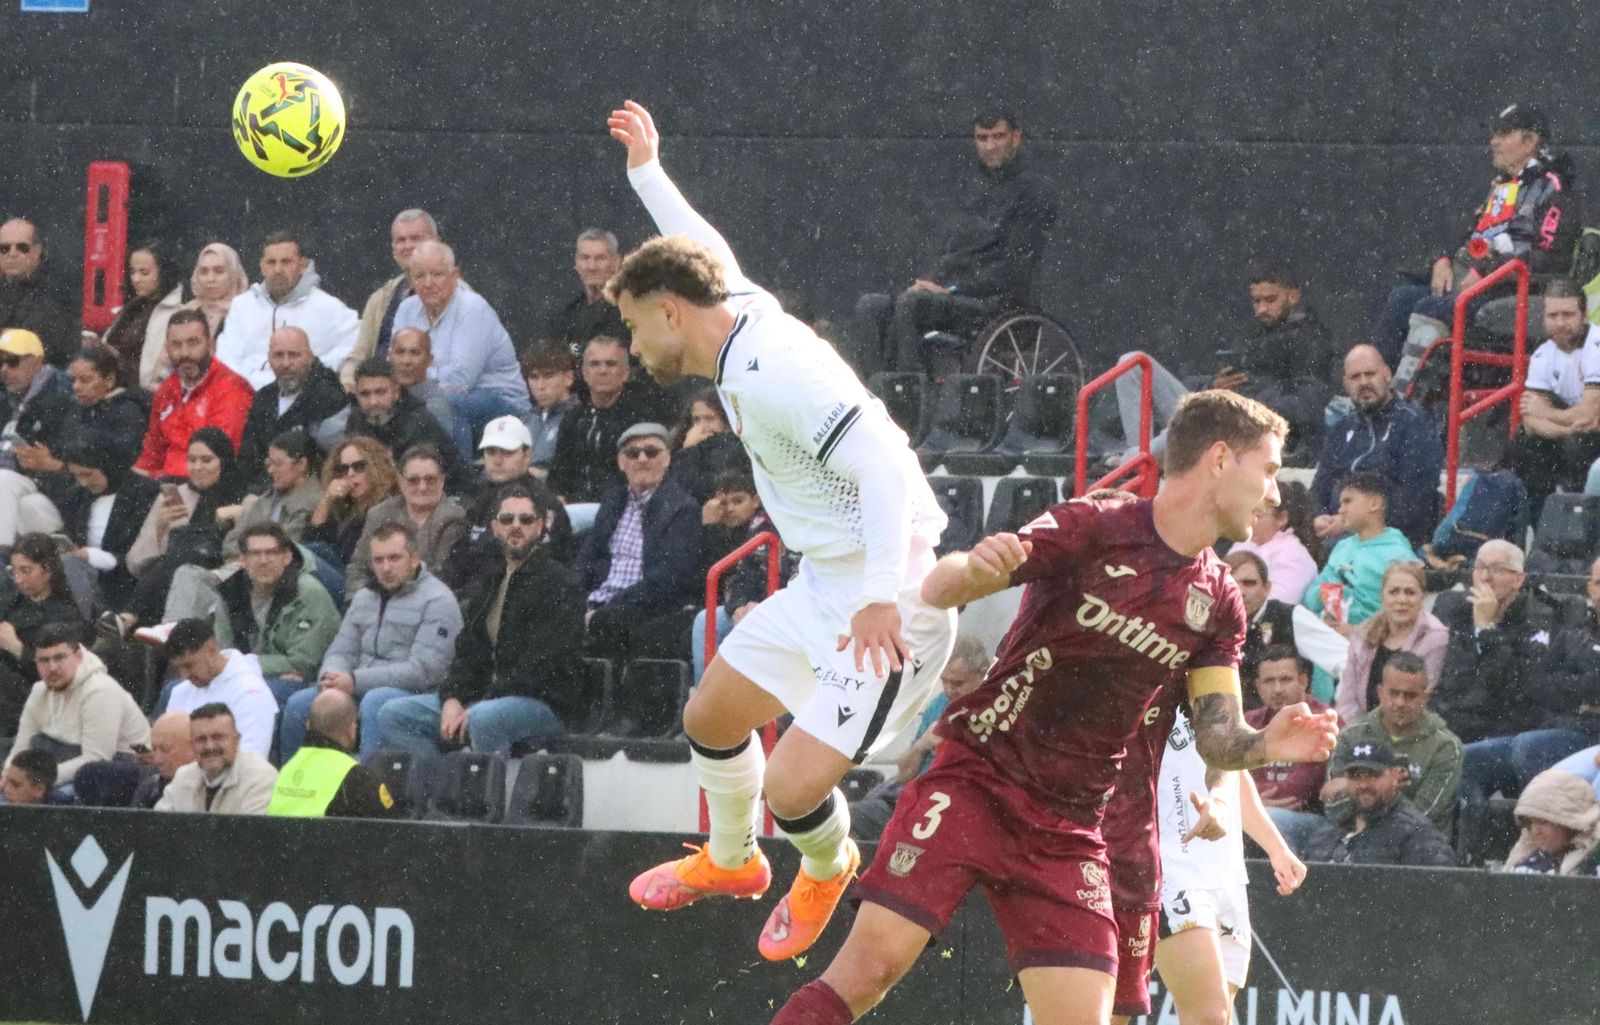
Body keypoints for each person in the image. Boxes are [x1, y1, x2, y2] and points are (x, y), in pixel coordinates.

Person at [770, 385, 1339, 1025]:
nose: (1272, 493)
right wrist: (973, 569)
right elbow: (940, 584)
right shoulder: (1097, 526)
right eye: (1266, 470)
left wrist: (1268, 746)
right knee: (865, 973)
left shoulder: (1219, 599)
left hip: (1072, 827)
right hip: (980, 780)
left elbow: (1217, 737)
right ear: (1217, 459)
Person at [607, 100, 968, 965]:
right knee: (712, 714)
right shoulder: (729, 308)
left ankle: (826, 863)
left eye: (629, 323)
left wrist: (881, 597)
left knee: (796, 785)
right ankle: (731, 864)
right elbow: (704, 248)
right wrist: (647, 175)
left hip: (893, 593)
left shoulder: (775, 374)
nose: (627, 342)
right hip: (827, 580)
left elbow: (883, 463)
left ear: (667, 311)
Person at [377, 483, 583, 756]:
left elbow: (541, 667)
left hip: (543, 705)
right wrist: (452, 699)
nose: (516, 526)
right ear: (495, 527)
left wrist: (477, 704)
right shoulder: (490, 580)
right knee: (395, 714)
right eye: (507, 519)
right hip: (484, 700)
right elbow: (467, 652)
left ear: (540, 527)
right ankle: (436, 790)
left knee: (484, 718)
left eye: (526, 519)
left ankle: (488, 797)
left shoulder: (561, 583)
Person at [1374, 104, 1581, 370]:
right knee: (1401, 299)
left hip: (1507, 290)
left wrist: (1485, 272)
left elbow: (1549, 257)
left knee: (1431, 307)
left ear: (1530, 141)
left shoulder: (1553, 188)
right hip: (1471, 281)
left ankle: (1404, 400)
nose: (1493, 141)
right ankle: (1374, 385)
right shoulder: (1503, 186)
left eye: (1504, 134)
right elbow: (1470, 235)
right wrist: (1442, 260)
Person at [853, 111, 1057, 377]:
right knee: (871, 306)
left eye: (998, 136)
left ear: (1016, 138)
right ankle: (873, 392)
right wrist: (930, 284)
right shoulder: (970, 189)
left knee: (911, 305)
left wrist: (950, 289)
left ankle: (908, 397)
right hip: (955, 296)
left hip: (1001, 305)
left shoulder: (1034, 192)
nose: (990, 145)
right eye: (982, 138)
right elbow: (951, 253)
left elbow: (1014, 269)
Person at [1145, 709, 1307, 1025]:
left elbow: (1233, 770)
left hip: (1226, 873)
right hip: (1170, 871)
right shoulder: (1144, 687)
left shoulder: (1214, 686)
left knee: (1217, 1014)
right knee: (1210, 1016)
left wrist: (1276, 847)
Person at [1113, 264, 1336, 460]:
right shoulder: (1256, 335)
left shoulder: (1311, 341)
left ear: (1293, 296)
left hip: (1254, 436)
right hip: (1216, 418)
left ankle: (1133, 461)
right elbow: (1203, 386)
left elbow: (1308, 407)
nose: (1261, 309)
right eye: (1256, 301)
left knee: (1189, 431)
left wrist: (1243, 400)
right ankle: (1139, 460)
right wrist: (1214, 386)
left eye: (1270, 300)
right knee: (1132, 362)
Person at [279, 521, 461, 760]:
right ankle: (295, 786)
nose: (386, 567)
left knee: (375, 702)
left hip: (410, 693)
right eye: (378, 560)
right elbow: (341, 650)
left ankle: (367, 789)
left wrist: (355, 681)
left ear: (414, 558)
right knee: (300, 704)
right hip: (355, 685)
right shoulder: (365, 597)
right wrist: (330, 677)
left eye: (394, 558)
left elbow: (424, 671)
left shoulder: (438, 600)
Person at [1456, 554, 1600, 831]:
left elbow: (1567, 684)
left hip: (1591, 736)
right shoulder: (1575, 632)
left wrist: (1573, 685)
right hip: (1564, 728)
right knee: (1464, 759)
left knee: (1529, 747)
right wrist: (1583, 690)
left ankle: (1545, 849)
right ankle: (1470, 859)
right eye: (1598, 583)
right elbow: (1537, 686)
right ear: (1589, 588)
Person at [578, 422, 703, 664]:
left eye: (652, 452)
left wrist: (608, 607)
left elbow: (670, 577)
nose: (643, 459)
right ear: (621, 463)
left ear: (667, 459)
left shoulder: (682, 507)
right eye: (633, 453)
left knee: (609, 623)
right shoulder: (613, 502)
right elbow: (587, 558)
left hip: (647, 605)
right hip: (599, 601)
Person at [391, 240, 530, 453]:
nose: (428, 283)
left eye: (437, 275)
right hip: (433, 394)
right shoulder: (406, 309)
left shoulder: (473, 309)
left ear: (454, 276)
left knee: (444, 402)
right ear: (411, 279)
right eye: (420, 276)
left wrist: (416, 377)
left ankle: (456, 479)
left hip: (500, 401)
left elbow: (460, 380)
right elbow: (396, 366)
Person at [848, 636, 990, 843]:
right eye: (945, 681)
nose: (950, 690)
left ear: (982, 674)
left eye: (958, 683)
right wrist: (922, 745)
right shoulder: (939, 704)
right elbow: (904, 775)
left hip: (955, 807)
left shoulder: (993, 709)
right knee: (852, 818)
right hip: (914, 799)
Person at [110, 428, 248, 639]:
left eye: (206, 460)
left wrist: (233, 517)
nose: (197, 467)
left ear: (223, 461)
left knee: (191, 550)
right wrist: (160, 528)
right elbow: (136, 563)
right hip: (165, 584)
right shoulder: (178, 495)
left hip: (218, 578)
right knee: (183, 549)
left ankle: (129, 616)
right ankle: (135, 621)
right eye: (192, 460)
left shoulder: (244, 498)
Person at [1310, 345, 1443, 545]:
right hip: (1337, 535)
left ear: (1387, 375)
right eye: (1355, 377)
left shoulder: (1414, 425)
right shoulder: (1341, 428)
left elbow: (1415, 504)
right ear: (1345, 383)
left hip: (1389, 539)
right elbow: (1319, 488)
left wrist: (1352, 521)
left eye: (1370, 374)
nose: (1364, 382)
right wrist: (1318, 517)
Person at [210, 523, 340, 718]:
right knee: (176, 689)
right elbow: (222, 652)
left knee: (258, 697)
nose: (264, 561)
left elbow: (302, 663)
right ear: (242, 559)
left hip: (302, 682)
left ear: (287, 557)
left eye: (271, 553)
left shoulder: (308, 593)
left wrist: (243, 665)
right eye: (255, 554)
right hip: (244, 676)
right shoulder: (229, 592)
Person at [1326, 653, 1463, 833]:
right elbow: (1334, 806)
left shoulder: (1445, 746)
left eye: (1410, 696)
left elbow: (1426, 814)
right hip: (1351, 836)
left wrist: (1362, 787)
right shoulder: (1350, 736)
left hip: (1415, 848)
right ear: (1380, 693)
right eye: (1394, 693)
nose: (1400, 702)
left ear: (1425, 698)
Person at [1431, 539, 1551, 744]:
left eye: (1497, 569)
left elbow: (1509, 685)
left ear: (1518, 579)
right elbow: (1451, 681)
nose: (1486, 577)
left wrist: (1487, 628)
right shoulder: (1457, 611)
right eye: (1480, 568)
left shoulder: (1537, 620)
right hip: (1451, 724)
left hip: (1499, 730)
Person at [4, 622, 147, 787]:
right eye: (43, 660)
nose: (52, 668)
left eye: (59, 658)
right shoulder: (39, 691)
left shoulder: (101, 691)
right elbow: (21, 746)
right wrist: (8, 776)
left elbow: (96, 759)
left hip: (114, 770)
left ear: (78, 656)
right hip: (63, 762)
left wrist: (36, 782)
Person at [216, 231, 359, 390]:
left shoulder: (327, 306)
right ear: (262, 266)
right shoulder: (242, 306)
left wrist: (315, 372)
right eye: (271, 262)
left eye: (286, 262)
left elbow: (356, 345)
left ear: (302, 265)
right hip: (248, 395)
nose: (278, 270)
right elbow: (226, 358)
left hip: (306, 396)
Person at [690, 470, 795, 682]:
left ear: (756, 500)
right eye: (723, 503)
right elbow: (731, 576)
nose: (730, 509)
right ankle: (710, 703)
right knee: (706, 620)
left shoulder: (767, 525)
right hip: (744, 606)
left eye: (738, 501)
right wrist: (738, 605)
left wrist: (759, 604)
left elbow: (779, 576)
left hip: (782, 606)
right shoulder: (727, 530)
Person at [133, 310, 254, 480]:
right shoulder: (167, 389)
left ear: (210, 344)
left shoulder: (232, 389)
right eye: (176, 345)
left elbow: (217, 458)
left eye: (193, 343)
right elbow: (152, 453)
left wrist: (160, 480)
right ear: (167, 348)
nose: (185, 353)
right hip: (165, 484)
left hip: (206, 485)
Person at [1511, 278, 1600, 508]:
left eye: (1568, 315)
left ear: (1585, 315)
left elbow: (1589, 414)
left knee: (1578, 446)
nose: (1560, 323)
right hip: (1573, 432)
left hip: (1591, 437)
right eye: (1553, 316)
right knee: (1524, 446)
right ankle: (1539, 525)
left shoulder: (1596, 344)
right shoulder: (1542, 355)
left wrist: (1545, 412)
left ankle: (1583, 524)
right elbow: (1530, 421)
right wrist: (1565, 429)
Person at [1301, 738, 1456, 866]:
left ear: (1395, 777)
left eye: (1373, 775)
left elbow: (1441, 889)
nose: (1363, 785)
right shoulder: (1327, 833)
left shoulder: (1416, 833)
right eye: (1355, 776)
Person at [1242, 647, 1338, 846]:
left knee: (1262, 819)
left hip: (1313, 821)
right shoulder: (1249, 722)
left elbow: (1294, 792)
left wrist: (1249, 800)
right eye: (1269, 681)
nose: (1277, 689)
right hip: (1257, 810)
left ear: (1303, 681)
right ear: (1258, 687)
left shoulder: (1324, 718)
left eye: (1285, 680)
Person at [1222, 550, 1346, 701]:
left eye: (1249, 583)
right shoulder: (1212, 624)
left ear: (1266, 588)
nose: (1240, 592)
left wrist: (1347, 709)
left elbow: (1346, 661)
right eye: (1232, 584)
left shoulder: (1290, 616)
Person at [1333, 561, 1448, 722]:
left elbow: (1423, 701)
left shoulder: (1436, 638)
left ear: (1422, 597)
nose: (1402, 599)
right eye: (1394, 592)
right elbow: (1347, 699)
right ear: (1382, 596)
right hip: (1361, 731)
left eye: (1410, 593)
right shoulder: (1363, 634)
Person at [344, 445, 467, 594]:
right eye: (413, 480)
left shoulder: (453, 518)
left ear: (442, 481)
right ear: (401, 481)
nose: (422, 487)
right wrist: (362, 603)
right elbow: (358, 568)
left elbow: (440, 578)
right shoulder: (379, 513)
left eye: (430, 480)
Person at [236, 327, 347, 491]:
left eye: (294, 355)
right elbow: (249, 457)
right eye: (278, 355)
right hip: (263, 491)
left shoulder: (329, 396)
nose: (286, 363)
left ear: (310, 356)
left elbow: (330, 459)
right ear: (269, 359)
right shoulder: (263, 398)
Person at [59, 433, 161, 609]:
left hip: (126, 581)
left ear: (107, 467)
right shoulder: (77, 496)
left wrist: (99, 558)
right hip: (84, 573)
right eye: (77, 476)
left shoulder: (144, 493)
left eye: (88, 475)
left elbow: (145, 556)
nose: (83, 483)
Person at [1302, 473, 1417, 627]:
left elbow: (1397, 614)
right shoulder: (1343, 547)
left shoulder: (1398, 554)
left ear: (1374, 503)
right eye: (1341, 504)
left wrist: (1357, 633)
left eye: (1347, 501)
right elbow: (1310, 597)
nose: (1341, 510)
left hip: (1369, 640)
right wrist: (1324, 594)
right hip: (1326, 630)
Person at [342, 209, 440, 387]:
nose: (408, 246)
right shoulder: (380, 299)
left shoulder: (456, 296)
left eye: (416, 238)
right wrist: (348, 382)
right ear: (394, 249)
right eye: (401, 240)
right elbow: (359, 355)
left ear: (436, 243)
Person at [547, 335, 649, 505]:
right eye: (595, 364)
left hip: (621, 508)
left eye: (611, 364)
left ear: (625, 373)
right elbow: (558, 476)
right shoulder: (573, 418)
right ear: (584, 373)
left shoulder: (640, 419)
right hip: (574, 510)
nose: (602, 370)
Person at [268, 689, 399, 818]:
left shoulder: (286, 769)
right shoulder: (356, 777)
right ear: (351, 730)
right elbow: (392, 828)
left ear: (308, 725)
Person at [0, 534, 86, 731]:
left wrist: (16, 647)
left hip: (29, 693)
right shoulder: (12, 601)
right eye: (14, 571)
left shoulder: (65, 615)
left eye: (26, 571)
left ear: (47, 570)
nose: (18, 579)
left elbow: (62, 673)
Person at [161, 619, 279, 760]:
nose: (184, 676)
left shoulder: (251, 692)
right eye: (178, 668)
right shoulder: (180, 691)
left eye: (189, 665)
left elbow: (252, 758)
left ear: (210, 649)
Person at [343, 357, 467, 489]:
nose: (373, 401)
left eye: (380, 392)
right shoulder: (356, 420)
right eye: (365, 394)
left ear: (396, 391)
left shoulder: (417, 422)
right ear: (356, 394)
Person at [0, 327, 73, 545]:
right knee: (25, 504)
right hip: (22, 496)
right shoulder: (6, 398)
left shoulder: (60, 396)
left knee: (2, 480)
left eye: (12, 361)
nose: (4, 369)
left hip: (43, 485)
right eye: (0, 362)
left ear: (37, 361)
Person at [154, 701, 278, 814]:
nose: (210, 746)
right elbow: (159, 827)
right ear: (192, 745)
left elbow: (249, 835)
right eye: (201, 739)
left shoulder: (260, 777)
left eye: (218, 737)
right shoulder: (183, 776)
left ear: (237, 740)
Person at [97, 240, 184, 389]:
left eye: (144, 272)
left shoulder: (178, 311)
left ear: (164, 272)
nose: (136, 279)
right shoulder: (134, 306)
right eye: (132, 271)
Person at [222, 428, 323, 556]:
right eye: (269, 463)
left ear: (302, 464)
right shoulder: (267, 498)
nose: (270, 470)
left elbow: (286, 548)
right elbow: (231, 543)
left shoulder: (313, 502)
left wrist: (249, 555)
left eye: (278, 464)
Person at [305, 437, 399, 573]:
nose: (350, 474)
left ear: (376, 467)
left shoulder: (387, 507)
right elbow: (311, 542)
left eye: (359, 467)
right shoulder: (342, 506)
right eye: (343, 469)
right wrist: (326, 501)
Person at [169, 242, 250, 383]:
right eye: (204, 271)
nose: (210, 279)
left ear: (233, 273)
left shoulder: (247, 311)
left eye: (219, 271)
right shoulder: (188, 310)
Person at [1227, 485, 1320, 605]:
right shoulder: (1244, 543)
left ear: (1282, 518)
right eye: (1248, 512)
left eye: (1258, 515)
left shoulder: (1295, 556)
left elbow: (1275, 605)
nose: (1250, 520)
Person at [0, 217, 75, 366]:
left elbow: (50, 343)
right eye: (4, 248)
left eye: (22, 248)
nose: (12, 254)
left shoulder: (57, 291)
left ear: (37, 251)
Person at [1499, 769, 1600, 874]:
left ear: (1569, 824)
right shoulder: (1526, 855)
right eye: (1529, 822)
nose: (1535, 830)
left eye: (1543, 822)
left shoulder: (1590, 864)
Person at [547, 227, 628, 351]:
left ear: (616, 263)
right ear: (576, 263)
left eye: (600, 258)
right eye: (585, 258)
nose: (591, 266)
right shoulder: (567, 316)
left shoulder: (627, 313)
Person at [668, 383, 750, 504]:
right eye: (696, 419)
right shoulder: (684, 442)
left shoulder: (733, 447)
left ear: (726, 420)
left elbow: (696, 488)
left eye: (710, 418)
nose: (702, 426)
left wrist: (688, 451)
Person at [521, 344, 580, 474]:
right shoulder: (525, 420)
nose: (540, 386)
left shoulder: (579, 418)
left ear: (568, 378)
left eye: (548, 376)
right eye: (534, 377)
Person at [388, 327, 454, 434]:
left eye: (415, 353)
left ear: (429, 360)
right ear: (390, 357)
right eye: (400, 352)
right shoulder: (378, 395)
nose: (406, 361)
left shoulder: (435, 405)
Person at [132, 711, 193, 808]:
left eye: (165, 750)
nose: (157, 759)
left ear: (193, 747)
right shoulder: (150, 788)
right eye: (154, 749)